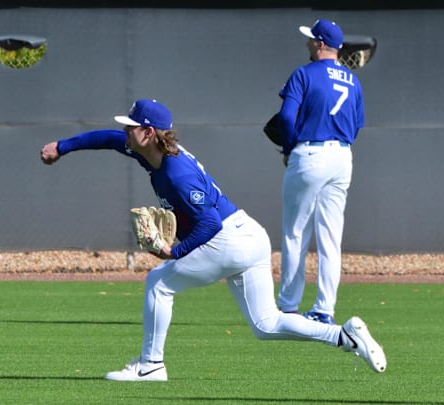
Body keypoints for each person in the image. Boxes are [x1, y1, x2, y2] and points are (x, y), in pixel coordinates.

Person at [40, 99, 385, 381]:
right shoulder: (152, 151)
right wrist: (63, 146)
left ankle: (151, 365)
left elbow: (208, 224)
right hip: (249, 235)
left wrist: (174, 251)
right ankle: (344, 335)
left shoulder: (177, 174)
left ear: (147, 133)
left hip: (227, 238)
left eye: (131, 126)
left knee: (159, 282)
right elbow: (107, 139)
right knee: (267, 324)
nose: (125, 131)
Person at [276, 19, 363, 325]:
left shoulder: (304, 74)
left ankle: (287, 306)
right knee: (330, 238)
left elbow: (286, 118)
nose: (308, 44)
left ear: (321, 44)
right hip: (342, 156)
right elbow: (356, 126)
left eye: (311, 40)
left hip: (310, 153)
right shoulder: (354, 81)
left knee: (296, 233)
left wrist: (289, 148)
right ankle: (325, 309)